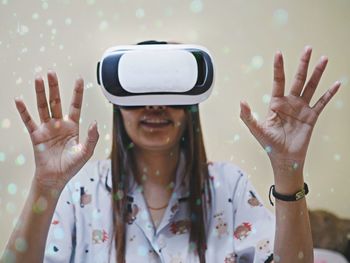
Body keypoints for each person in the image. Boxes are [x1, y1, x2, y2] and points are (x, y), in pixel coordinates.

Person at [1, 40, 341, 263]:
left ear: (191, 103)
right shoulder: (81, 191)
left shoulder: (228, 187)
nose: (155, 104)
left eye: (169, 88)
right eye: (140, 90)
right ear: (117, 102)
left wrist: (288, 168)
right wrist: (45, 185)